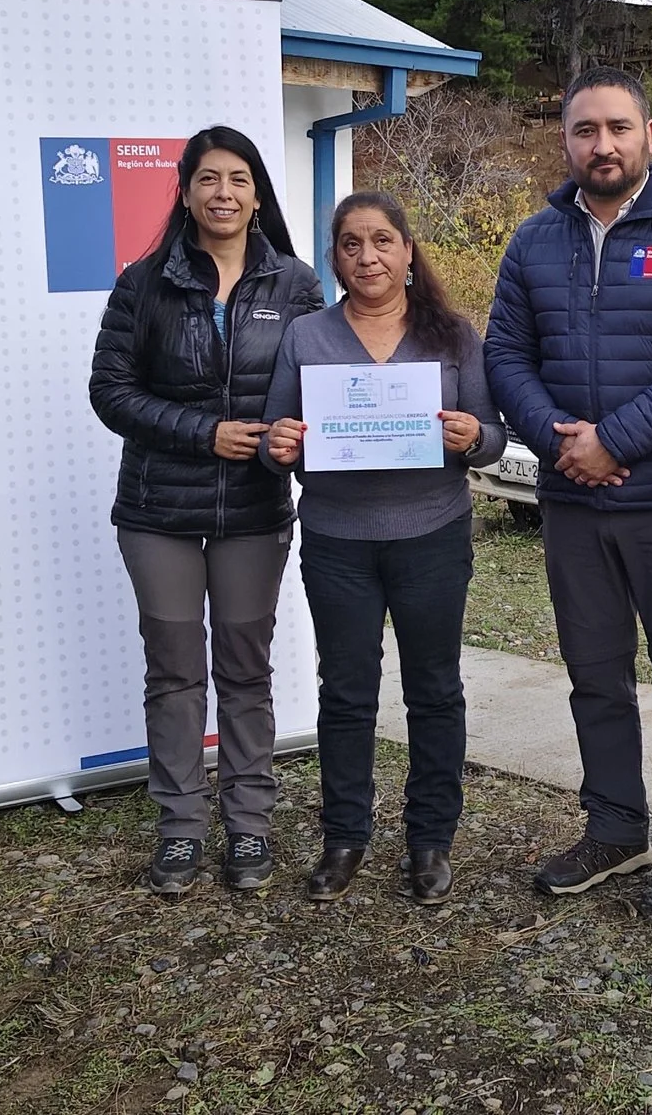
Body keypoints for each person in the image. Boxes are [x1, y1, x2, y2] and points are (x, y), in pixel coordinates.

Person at [484, 66, 652, 924]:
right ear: (565, 140)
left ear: (649, 136)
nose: (602, 145)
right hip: (574, 505)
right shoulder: (532, 243)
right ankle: (613, 827)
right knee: (595, 676)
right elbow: (504, 358)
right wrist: (566, 446)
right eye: (585, 130)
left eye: (618, 129)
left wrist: (614, 442)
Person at [89, 127, 322, 897]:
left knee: (246, 670)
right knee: (176, 671)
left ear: (258, 193)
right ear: (184, 190)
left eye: (240, 179)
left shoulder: (295, 285)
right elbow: (111, 393)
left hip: (255, 508)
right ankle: (181, 830)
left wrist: (295, 436)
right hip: (158, 509)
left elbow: (321, 386)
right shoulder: (143, 282)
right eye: (209, 179)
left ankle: (250, 826)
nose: (224, 193)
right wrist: (206, 433)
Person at [263, 191, 503, 906]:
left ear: (406, 252)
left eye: (381, 241)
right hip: (338, 540)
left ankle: (431, 839)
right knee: (345, 693)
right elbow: (280, 435)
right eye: (349, 244)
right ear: (334, 258)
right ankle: (345, 837)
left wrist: (472, 438)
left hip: (431, 534)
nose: (366, 256)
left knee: (434, 689)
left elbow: (491, 436)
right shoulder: (307, 336)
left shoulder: (453, 335)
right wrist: (280, 446)